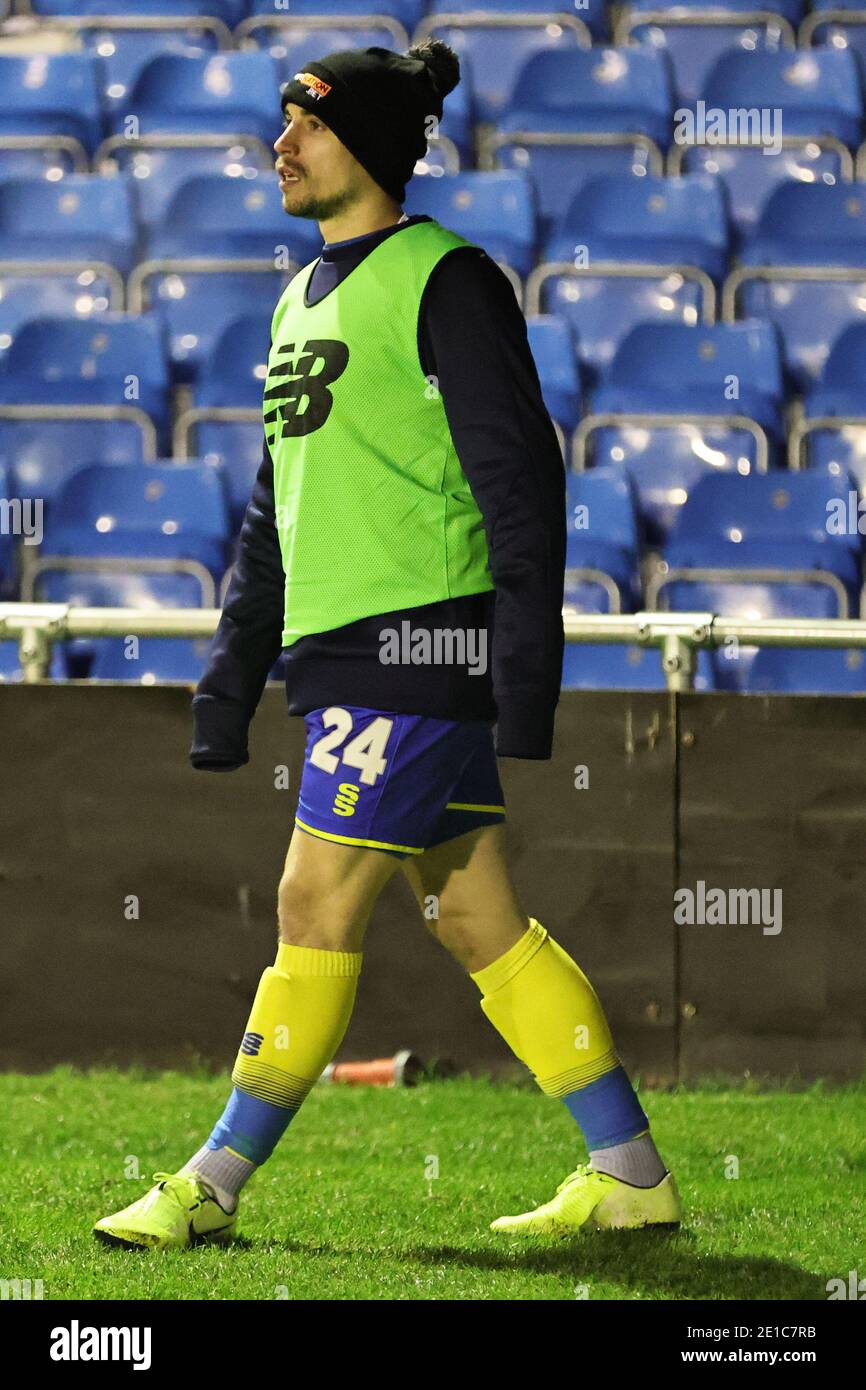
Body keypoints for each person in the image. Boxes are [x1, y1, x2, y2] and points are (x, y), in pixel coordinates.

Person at [93, 39, 681, 1251]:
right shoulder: (297, 295)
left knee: (312, 902)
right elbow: (276, 504)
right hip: (348, 651)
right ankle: (629, 1173)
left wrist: (522, 672)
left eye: (305, 125)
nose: (280, 144)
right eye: (281, 124)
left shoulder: (447, 279)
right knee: (476, 920)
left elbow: (519, 476)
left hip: (418, 647)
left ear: (363, 143)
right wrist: (229, 677)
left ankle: (209, 1187)